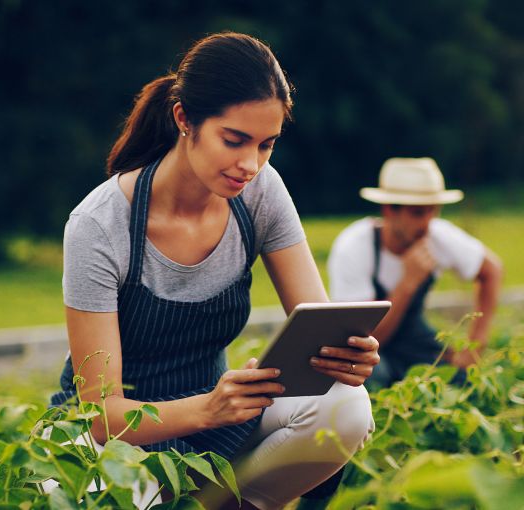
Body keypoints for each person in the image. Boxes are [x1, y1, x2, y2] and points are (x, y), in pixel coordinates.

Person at [49, 32, 380, 510]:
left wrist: (342, 355)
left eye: (266, 145)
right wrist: (207, 408)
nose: (250, 164)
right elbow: (101, 415)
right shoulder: (99, 225)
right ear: (184, 119)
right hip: (116, 438)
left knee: (345, 407)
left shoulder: (261, 192)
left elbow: (316, 319)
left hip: (218, 417)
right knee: (115, 494)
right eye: (234, 140)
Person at [327, 157, 503, 388]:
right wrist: (407, 284)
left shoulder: (436, 235)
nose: (427, 223)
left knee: (459, 381)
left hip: (413, 338)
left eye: (433, 211)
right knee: (372, 379)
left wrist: (475, 349)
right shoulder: (354, 247)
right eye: (418, 213)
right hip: (368, 348)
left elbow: (492, 270)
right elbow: (364, 340)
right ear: (390, 210)